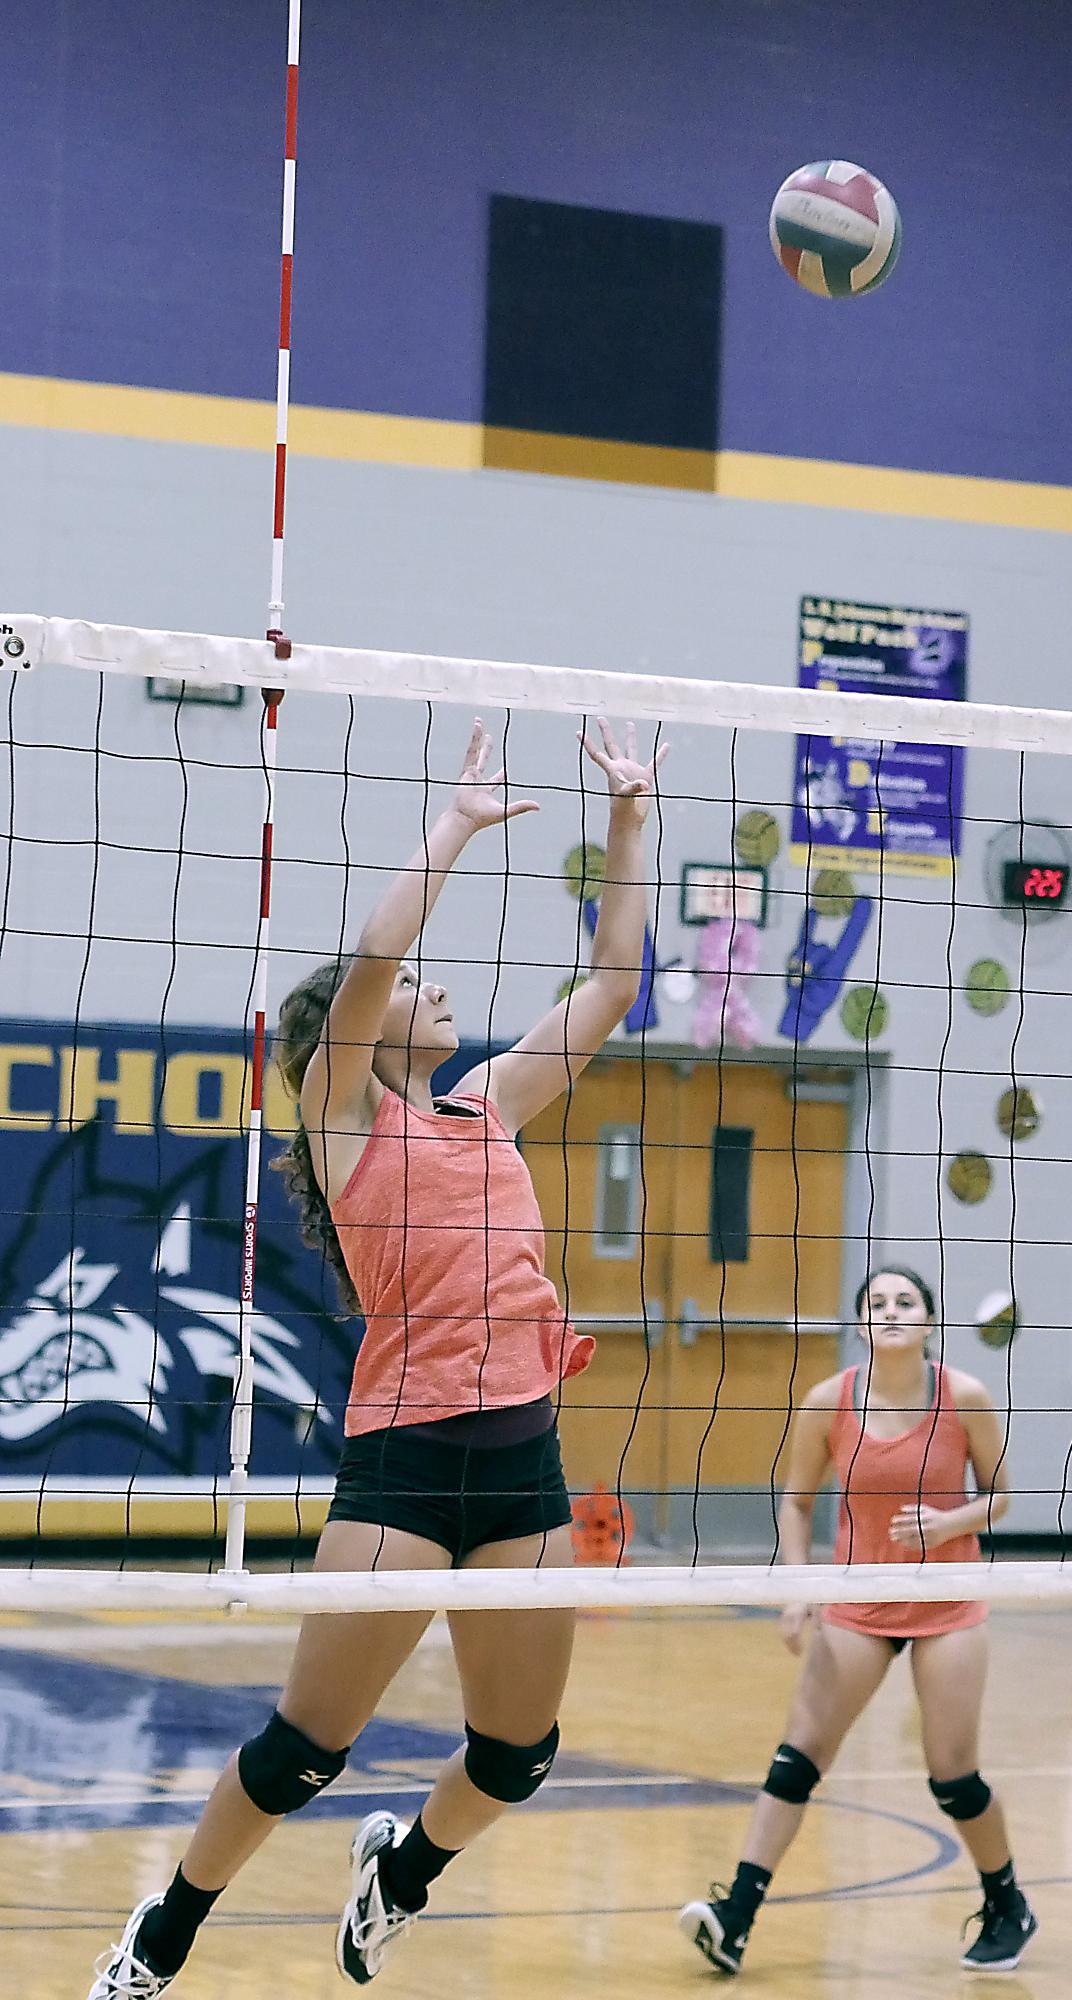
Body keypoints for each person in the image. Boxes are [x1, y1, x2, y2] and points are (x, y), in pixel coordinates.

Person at [90, 715, 666, 1996]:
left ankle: (399, 1876)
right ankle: (162, 1933)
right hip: (405, 1467)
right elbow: (370, 955)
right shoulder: (343, 1114)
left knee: (518, 1751)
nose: (435, 989)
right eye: (418, 990)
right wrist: (453, 828)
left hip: (525, 1463)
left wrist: (628, 817)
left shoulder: (489, 1102)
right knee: (305, 1747)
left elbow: (617, 984)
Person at [679, 1267, 1037, 1977]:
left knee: (952, 1779)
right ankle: (735, 1917)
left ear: (928, 1322)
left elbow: (1000, 1496)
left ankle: (1007, 1905)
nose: (890, 1311)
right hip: (856, 1601)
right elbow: (794, 1500)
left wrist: (946, 1522)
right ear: (861, 1324)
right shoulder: (827, 1402)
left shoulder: (964, 1396)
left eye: (905, 1301)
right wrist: (798, 1588)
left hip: (946, 1602)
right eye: (876, 1303)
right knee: (796, 1758)